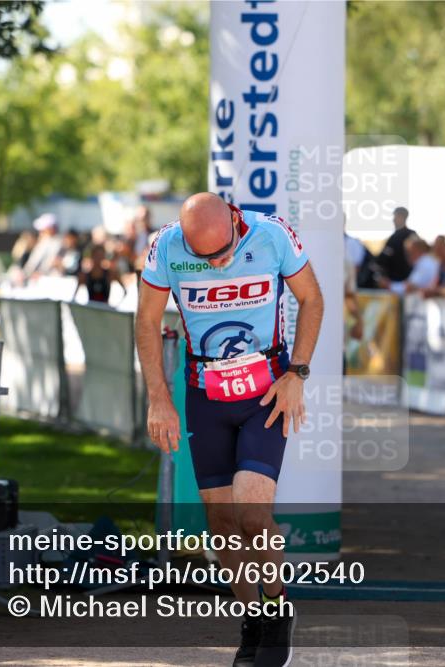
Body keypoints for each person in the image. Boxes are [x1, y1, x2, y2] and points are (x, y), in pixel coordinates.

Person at [135, 193, 323, 666]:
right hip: (205, 393)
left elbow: (311, 298)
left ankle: (278, 611)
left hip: (265, 392)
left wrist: (297, 373)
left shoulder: (272, 233)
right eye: (206, 259)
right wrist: (159, 397)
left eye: (223, 253)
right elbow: (147, 320)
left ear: (236, 222)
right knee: (221, 526)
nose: (217, 263)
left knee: (251, 515)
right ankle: (251, 621)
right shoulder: (166, 246)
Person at [375, 206, 416, 282]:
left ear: (402, 217)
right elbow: (382, 259)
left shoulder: (410, 236)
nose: (393, 220)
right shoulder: (395, 237)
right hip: (394, 280)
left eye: (396, 216)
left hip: (403, 280)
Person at [23, 213, 63, 279]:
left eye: (43, 229)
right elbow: (31, 265)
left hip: (47, 279)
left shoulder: (58, 243)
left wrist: (36, 273)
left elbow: (49, 264)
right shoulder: (44, 242)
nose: (40, 232)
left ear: (51, 229)